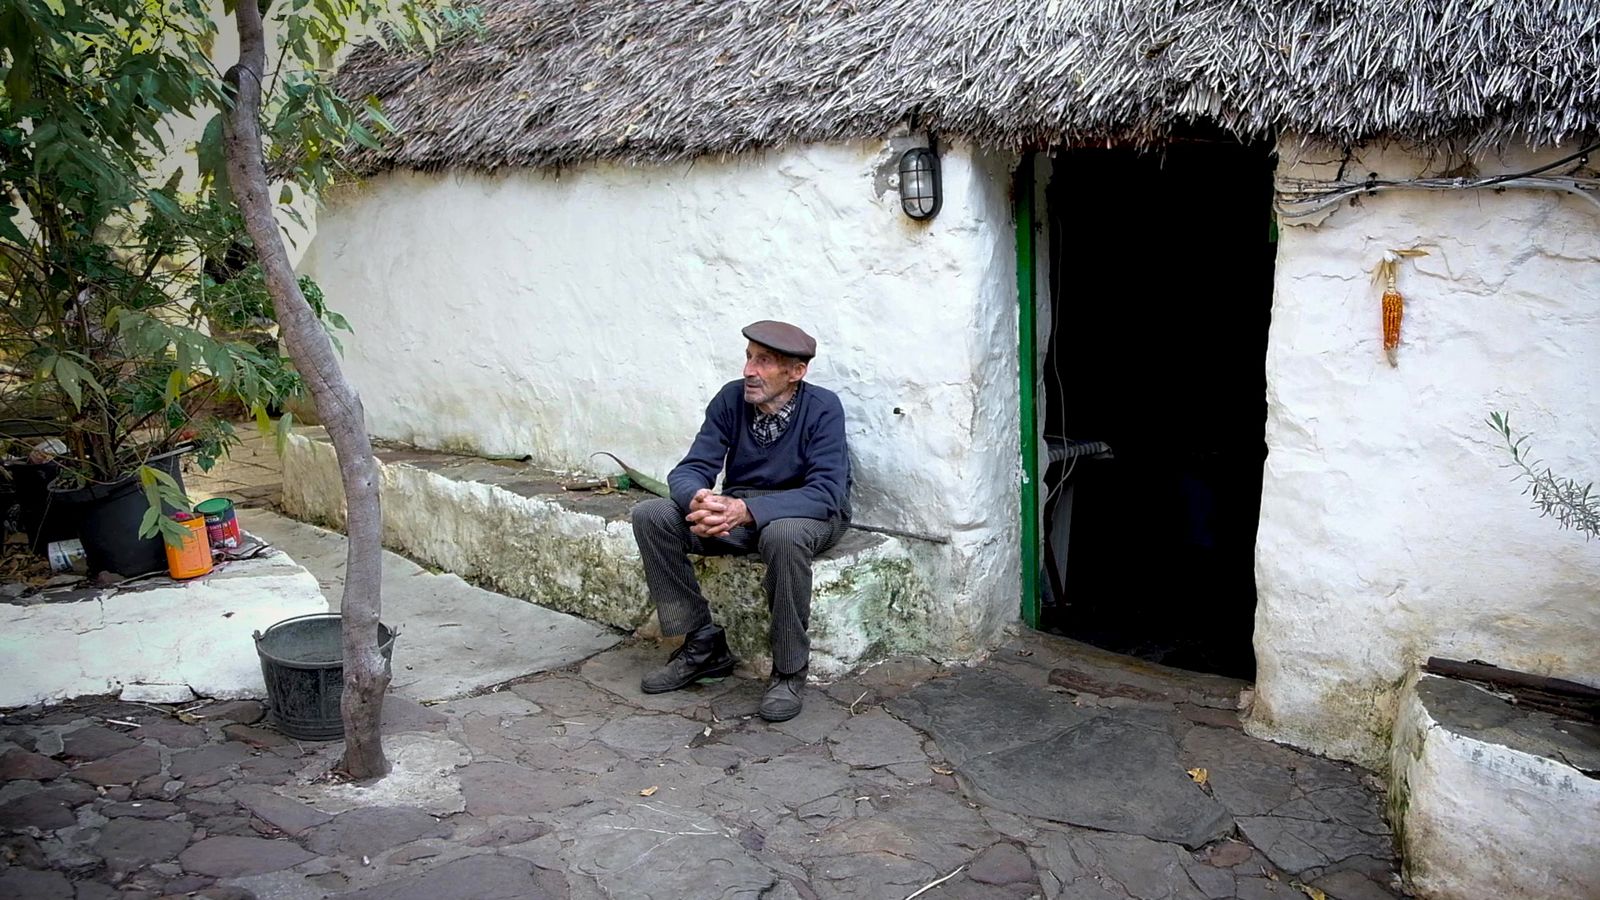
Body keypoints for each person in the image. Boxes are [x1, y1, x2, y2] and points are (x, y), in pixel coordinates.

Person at [631, 320, 851, 722]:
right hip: (741, 510)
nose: (749, 370)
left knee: (782, 536)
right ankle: (702, 644)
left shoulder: (823, 408)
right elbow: (691, 468)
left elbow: (825, 493)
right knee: (652, 515)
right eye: (749, 358)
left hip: (807, 513)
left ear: (796, 372)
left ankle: (788, 670)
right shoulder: (731, 400)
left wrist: (747, 511)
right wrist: (699, 498)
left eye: (764, 361)